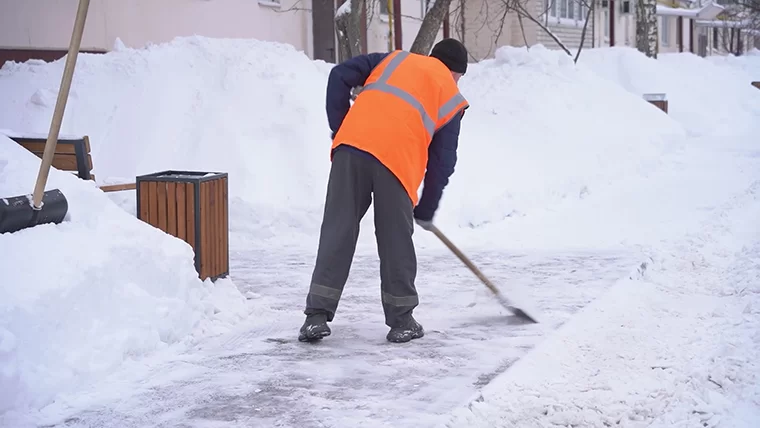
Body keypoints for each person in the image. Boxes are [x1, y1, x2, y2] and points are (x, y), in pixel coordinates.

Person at [298, 38, 470, 344]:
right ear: (455, 71)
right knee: (395, 239)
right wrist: (427, 206)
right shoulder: (450, 93)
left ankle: (316, 316)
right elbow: (443, 162)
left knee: (337, 230)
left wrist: (341, 129)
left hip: (350, 150)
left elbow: (339, 75)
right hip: (396, 161)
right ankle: (402, 320)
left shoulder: (393, 60)